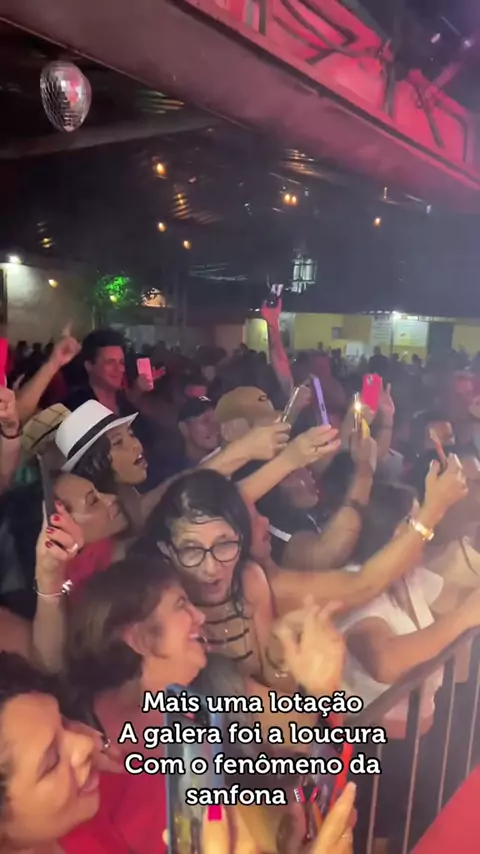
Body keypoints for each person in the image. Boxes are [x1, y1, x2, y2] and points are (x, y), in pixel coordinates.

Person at [62, 557, 345, 853]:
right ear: (139, 638)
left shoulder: (215, 682)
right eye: (181, 605)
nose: (199, 616)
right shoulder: (79, 749)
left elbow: (309, 735)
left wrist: (322, 689)